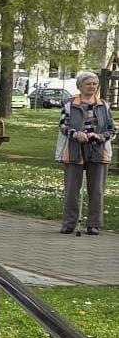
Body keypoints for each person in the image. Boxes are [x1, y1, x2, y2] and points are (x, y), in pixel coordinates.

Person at [59, 70, 113, 235]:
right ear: (80, 86)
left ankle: (94, 224)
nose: (91, 87)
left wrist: (100, 136)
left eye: (94, 84)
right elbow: (62, 125)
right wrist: (76, 134)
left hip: (98, 149)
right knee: (71, 189)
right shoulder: (69, 104)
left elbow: (112, 129)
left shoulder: (104, 105)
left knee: (96, 190)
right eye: (88, 84)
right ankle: (69, 223)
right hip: (75, 148)